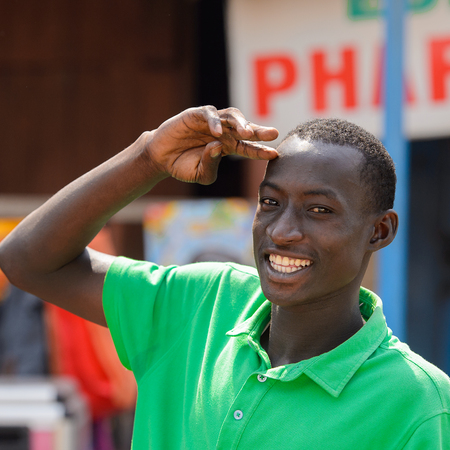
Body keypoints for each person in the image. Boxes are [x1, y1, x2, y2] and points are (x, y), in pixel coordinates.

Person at [0, 106, 448, 449]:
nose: (282, 231)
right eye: (270, 203)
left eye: (319, 210)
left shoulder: (419, 403)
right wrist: (149, 156)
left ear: (379, 230)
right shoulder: (201, 302)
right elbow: (26, 260)